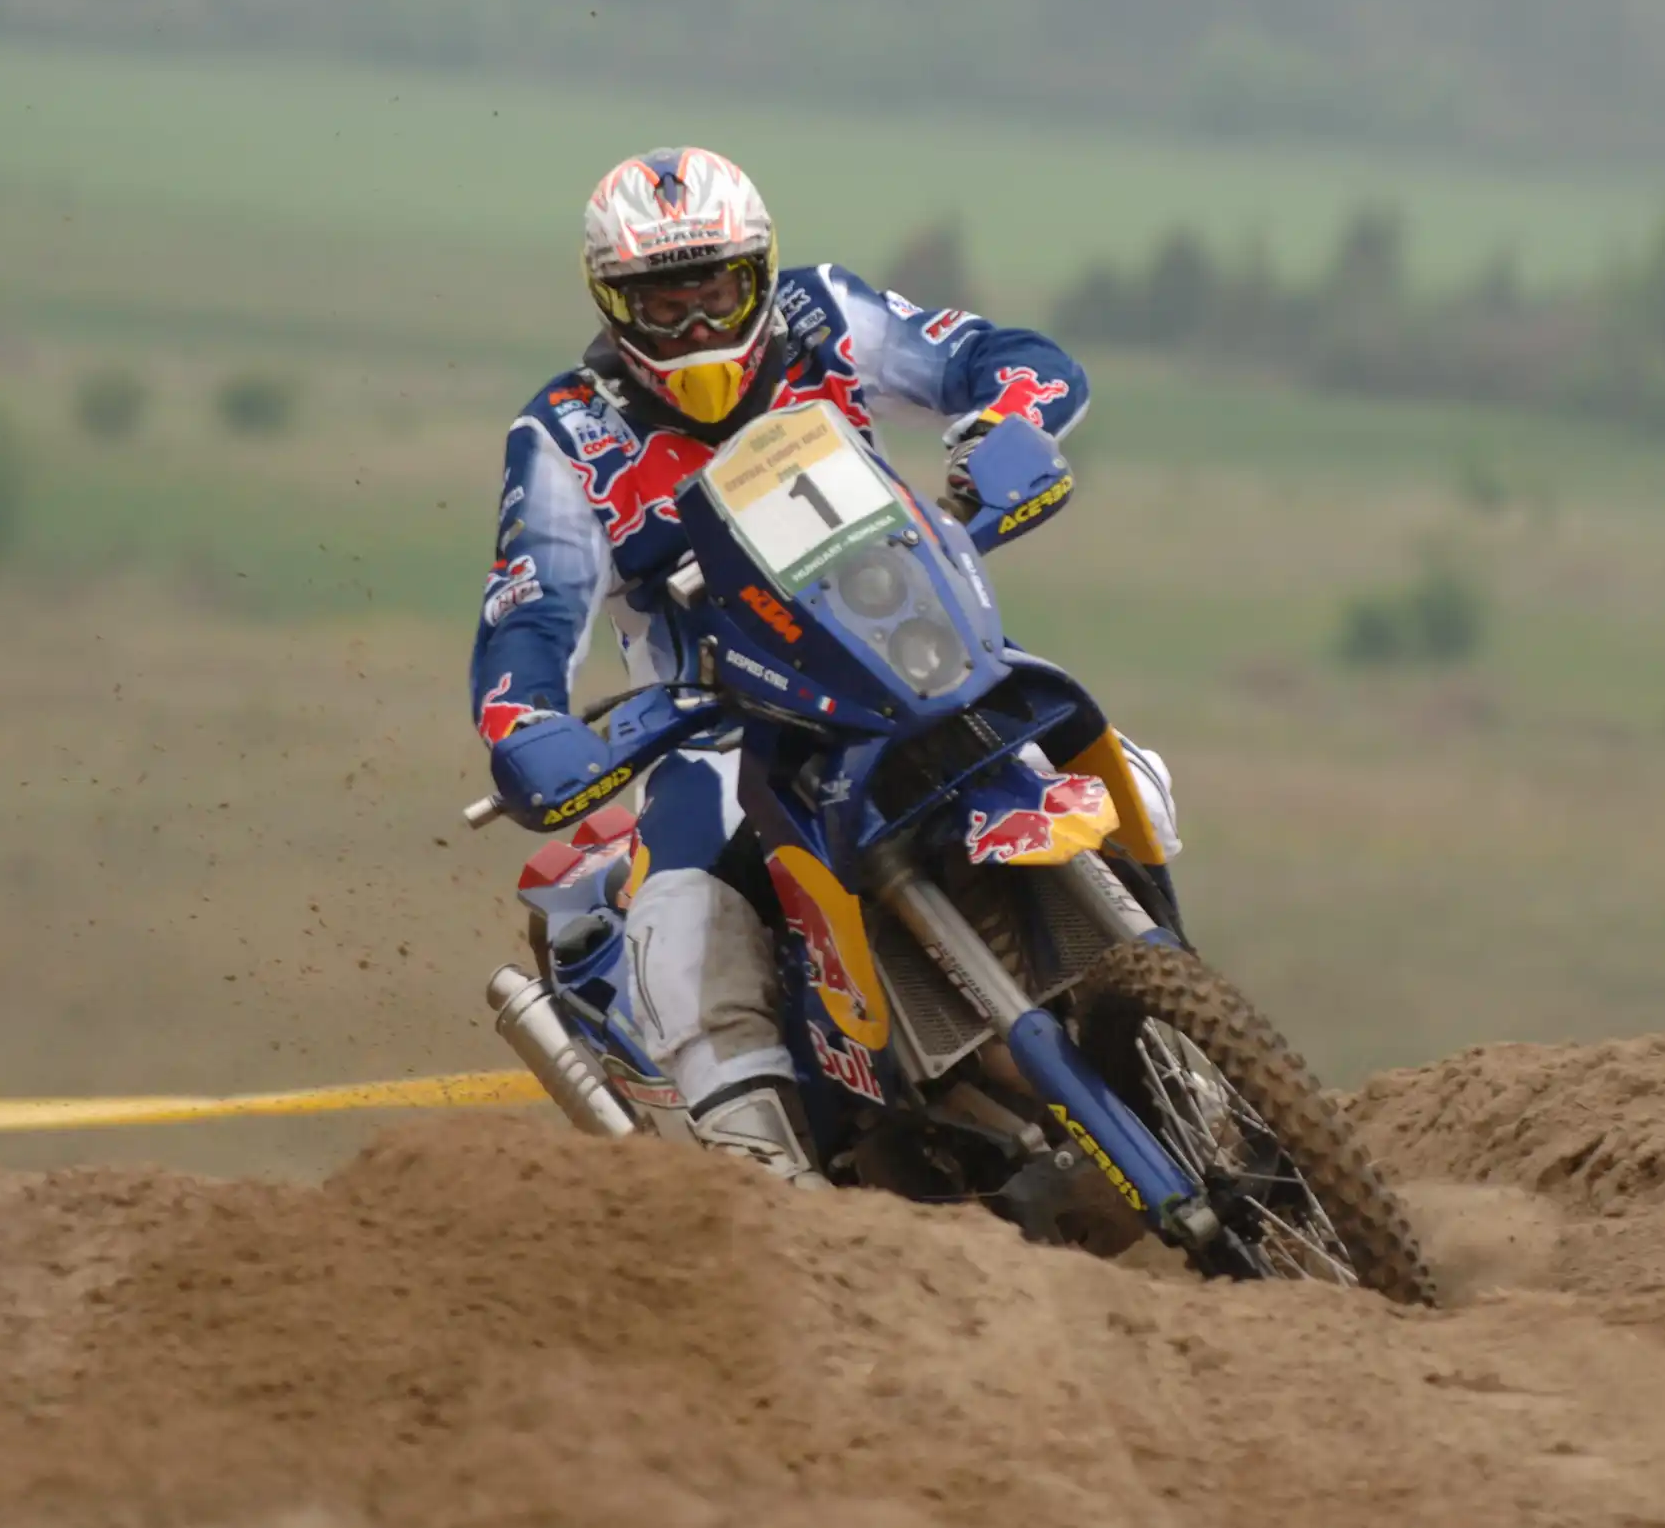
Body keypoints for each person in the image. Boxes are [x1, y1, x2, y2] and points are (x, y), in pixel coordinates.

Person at [470, 146, 1178, 1184]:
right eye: (663, 304)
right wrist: (527, 722)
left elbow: (998, 355)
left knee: (1127, 782)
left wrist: (1005, 423)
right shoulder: (569, 433)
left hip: (909, 647)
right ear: (613, 304)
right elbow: (530, 606)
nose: (697, 325)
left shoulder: (824, 314)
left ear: (758, 274)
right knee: (682, 923)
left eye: (717, 291)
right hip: (722, 724)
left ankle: (1179, 1030)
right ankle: (774, 1195)